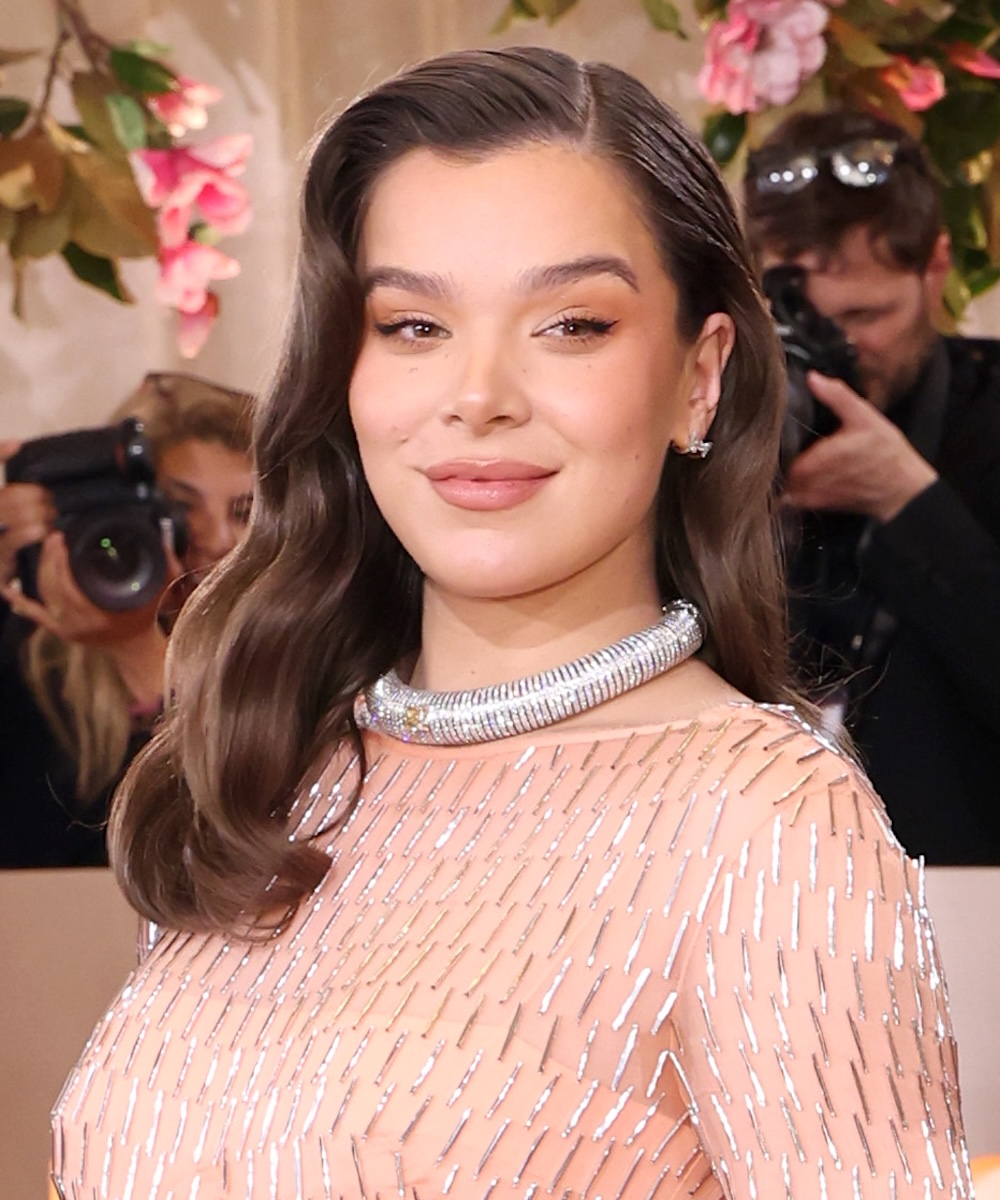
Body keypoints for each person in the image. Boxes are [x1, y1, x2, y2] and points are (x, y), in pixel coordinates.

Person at [52, 49, 971, 1199]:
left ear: (699, 375)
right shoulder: (280, 769)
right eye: (413, 325)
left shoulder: (767, 827)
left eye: (572, 324)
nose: (476, 394)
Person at [742, 109, 1000, 866]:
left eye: (865, 315)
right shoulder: (709, 431)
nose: (835, 353)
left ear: (936, 270)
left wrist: (910, 505)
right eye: (799, 322)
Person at [0, 372, 254, 868]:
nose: (217, 538)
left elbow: (225, 857)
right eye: (182, 509)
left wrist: (139, 651)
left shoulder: (307, 659)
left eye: (244, 511)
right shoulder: (35, 660)